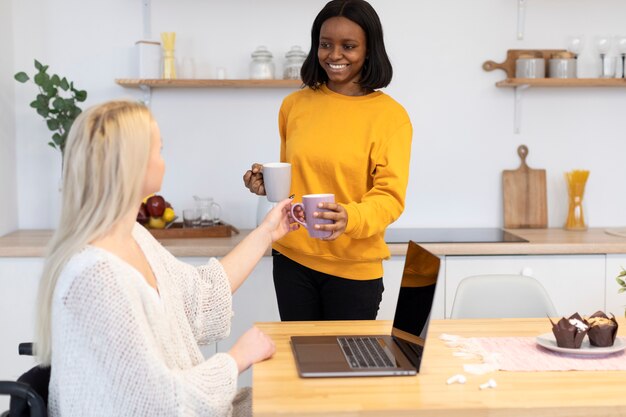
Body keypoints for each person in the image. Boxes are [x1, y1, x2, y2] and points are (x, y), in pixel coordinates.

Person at [35, 100, 296, 416]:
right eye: (159, 150)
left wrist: (268, 231)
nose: (163, 161)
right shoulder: (95, 276)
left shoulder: (134, 236)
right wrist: (237, 358)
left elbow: (200, 298)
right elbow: (155, 406)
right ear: (133, 164)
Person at [243, 0, 412, 321]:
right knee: (299, 366)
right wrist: (266, 184)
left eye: (348, 46)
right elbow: (295, 177)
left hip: (354, 269)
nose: (334, 55)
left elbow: (390, 199)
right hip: (292, 259)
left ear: (369, 50)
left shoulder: (391, 117)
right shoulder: (294, 105)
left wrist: (349, 218)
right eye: (325, 44)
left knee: (345, 368)